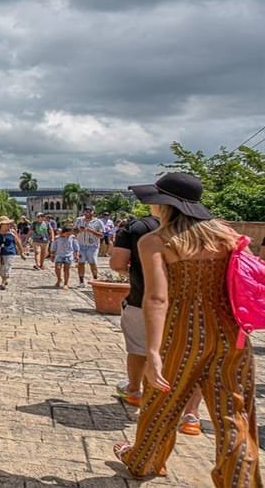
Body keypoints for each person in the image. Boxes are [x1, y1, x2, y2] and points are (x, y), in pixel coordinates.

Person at [114, 173, 260, 484]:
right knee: (234, 415)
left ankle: (144, 461)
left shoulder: (156, 241)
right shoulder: (228, 237)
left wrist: (153, 352)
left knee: (161, 404)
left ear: (165, 204)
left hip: (182, 333)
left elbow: (157, 298)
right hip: (231, 335)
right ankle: (241, 481)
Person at [111, 211, 204, 434]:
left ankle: (135, 391)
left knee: (139, 350)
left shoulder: (140, 230)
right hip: (194, 307)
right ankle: (191, 414)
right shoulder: (210, 231)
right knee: (192, 361)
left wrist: (132, 274)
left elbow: (117, 263)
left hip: (143, 300)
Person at [73, 206, 105, 287]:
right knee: (81, 263)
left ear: (93, 212)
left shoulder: (98, 222)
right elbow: (74, 230)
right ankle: (81, 282)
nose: (88, 213)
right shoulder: (79, 220)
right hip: (80, 245)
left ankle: (95, 280)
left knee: (92, 262)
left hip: (92, 246)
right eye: (86, 211)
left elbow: (102, 235)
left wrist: (91, 231)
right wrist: (79, 230)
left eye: (90, 211)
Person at [0, 216, 26, 290]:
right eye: (6, 224)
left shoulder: (12, 232)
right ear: (1, 225)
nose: (8, 225)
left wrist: (21, 252)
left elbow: (18, 242)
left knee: (7, 267)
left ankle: (3, 283)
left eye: (9, 224)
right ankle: (4, 279)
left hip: (9, 252)